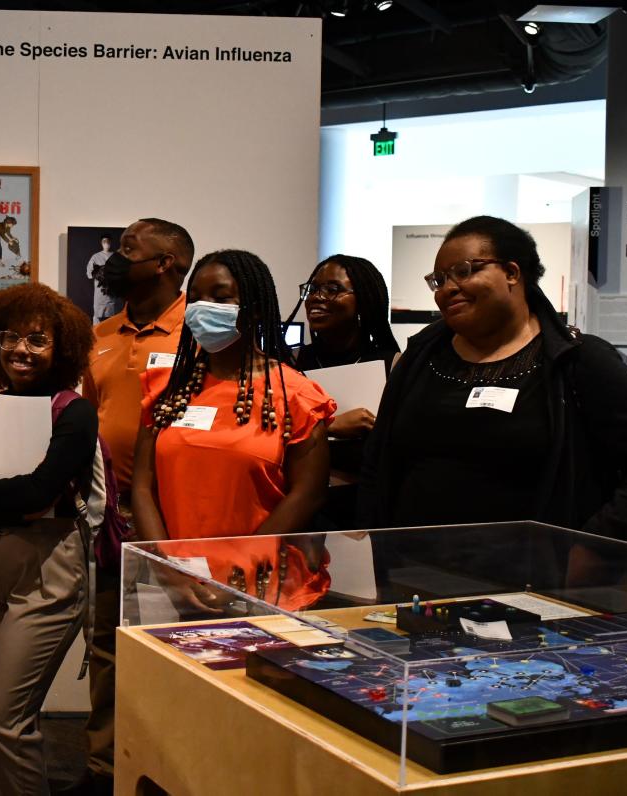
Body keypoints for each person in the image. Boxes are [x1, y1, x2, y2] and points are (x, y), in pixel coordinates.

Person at [360, 216, 627, 545]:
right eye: (439, 280)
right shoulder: (420, 357)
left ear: (512, 273)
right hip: (411, 573)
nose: (447, 289)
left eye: (463, 271)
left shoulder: (578, 359)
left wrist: (594, 547)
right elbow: (378, 459)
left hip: (530, 580)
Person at [0, 282, 98, 796]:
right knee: (2, 716)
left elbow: (40, 492)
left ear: (62, 349)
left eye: (37, 339)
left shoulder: (75, 412)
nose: (20, 350)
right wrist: (12, 499)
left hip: (50, 569)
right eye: (10, 336)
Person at [130, 249, 335, 606]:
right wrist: (167, 568)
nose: (202, 307)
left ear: (254, 307)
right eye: (194, 298)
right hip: (178, 585)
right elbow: (143, 487)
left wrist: (239, 569)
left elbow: (307, 494)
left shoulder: (297, 394)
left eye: (221, 298)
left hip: (265, 587)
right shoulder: (166, 388)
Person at [77, 217, 193, 794]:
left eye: (129, 250)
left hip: (177, 522)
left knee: (177, 647)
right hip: (109, 521)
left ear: (168, 262)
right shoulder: (99, 334)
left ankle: (172, 770)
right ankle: (106, 769)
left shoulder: (200, 333)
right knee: (106, 647)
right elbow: (90, 417)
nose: (116, 261)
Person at [293, 254, 401, 529]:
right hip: (299, 509)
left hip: (368, 510)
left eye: (333, 289)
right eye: (313, 289)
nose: (317, 297)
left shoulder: (395, 364)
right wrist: (328, 426)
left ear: (364, 299)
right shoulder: (289, 362)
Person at [86, 235, 120, 324]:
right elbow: (89, 274)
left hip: (111, 292)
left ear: (110, 243)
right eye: (104, 242)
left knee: (112, 317)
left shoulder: (115, 256)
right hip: (99, 292)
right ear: (101, 243)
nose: (106, 244)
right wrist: (99, 273)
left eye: (108, 242)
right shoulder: (95, 257)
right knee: (97, 316)